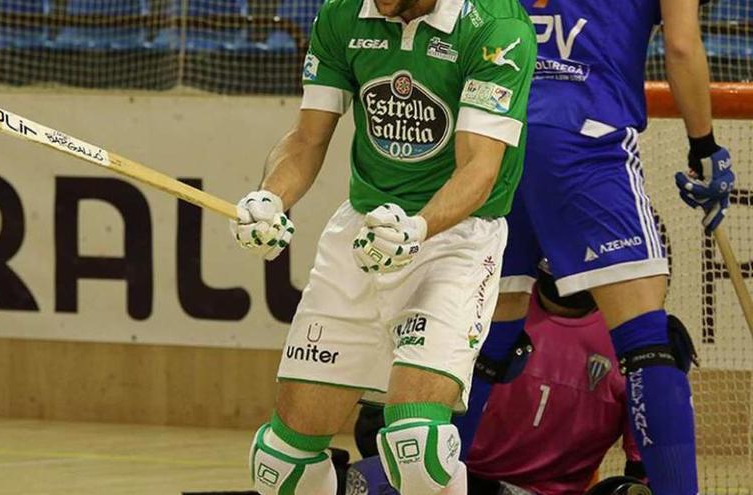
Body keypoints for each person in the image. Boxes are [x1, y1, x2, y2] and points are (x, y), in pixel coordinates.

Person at [229, 0, 536, 491]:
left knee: (419, 449)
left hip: (453, 241)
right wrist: (271, 198)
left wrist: (416, 228)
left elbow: (480, 168)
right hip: (360, 234)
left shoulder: (497, 28)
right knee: (280, 464)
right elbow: (307, 139)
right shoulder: (342, 13)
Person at [450, 0, 736, 493]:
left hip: (494, 137)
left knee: (488, 341)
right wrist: (704, 147)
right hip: (586, 136)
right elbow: (683, 45)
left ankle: (432, 483)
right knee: (649, 341)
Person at [348, 269, 698, 494]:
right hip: (459, 479)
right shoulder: (488, 304)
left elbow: (644, 470)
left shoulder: (632, 343)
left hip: (549, 493)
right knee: (367, 479)